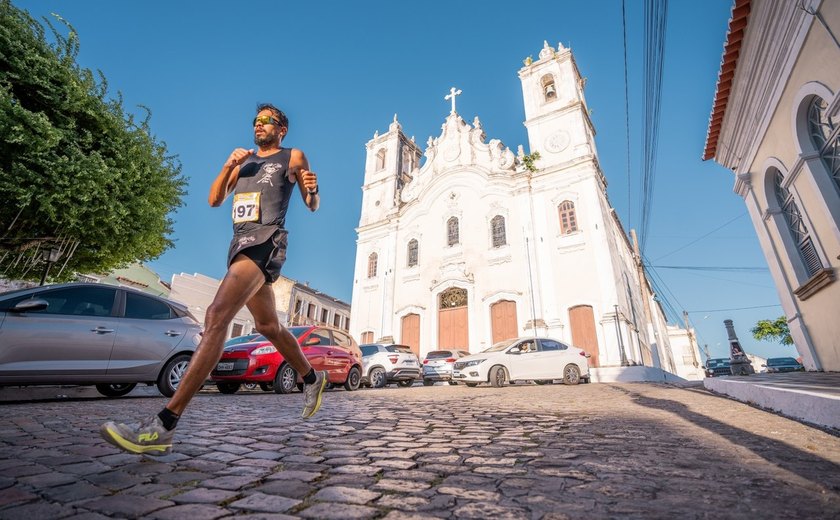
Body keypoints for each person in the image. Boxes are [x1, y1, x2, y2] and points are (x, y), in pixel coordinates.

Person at [100, 103, 326, 456]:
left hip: (266, 240)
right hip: (240, 244)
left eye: (268, 121)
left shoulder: (292, 156)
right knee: (268, 326)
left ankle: (164, 424)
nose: (260, 125)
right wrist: (228, 166)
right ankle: (312, 377)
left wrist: (312, 189)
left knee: (217, 316)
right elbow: (214, 199)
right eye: (256, 121)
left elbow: (312, 203)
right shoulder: (244, 161)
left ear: (282, 129)